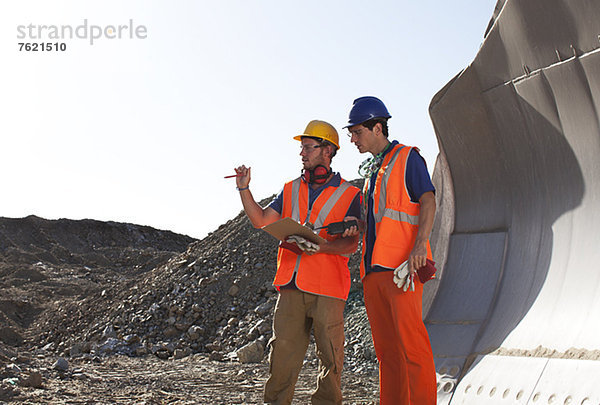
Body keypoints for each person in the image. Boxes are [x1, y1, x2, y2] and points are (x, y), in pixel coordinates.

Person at [233, 120, 361, 405]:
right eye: (301, 148)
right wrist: (244, 189)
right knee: (282, 359)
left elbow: (351, 243)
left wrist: (324, 246)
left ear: (327, 150)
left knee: (331, 360)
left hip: (328, 288)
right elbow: (261, 220)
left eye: (307, 147)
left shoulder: (350, 193)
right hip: (291, 286)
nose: (302, 153)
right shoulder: (290, 189)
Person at [344, 96, 437, 404]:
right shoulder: (372, 172)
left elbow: (428, 201)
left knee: (412, 348)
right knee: (387, 354)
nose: (353, 140)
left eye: (357, 132)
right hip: (373, 273)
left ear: (378, 127)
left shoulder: (408, 158)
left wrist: (420, 246)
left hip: (402, 271)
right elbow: (379, 218)